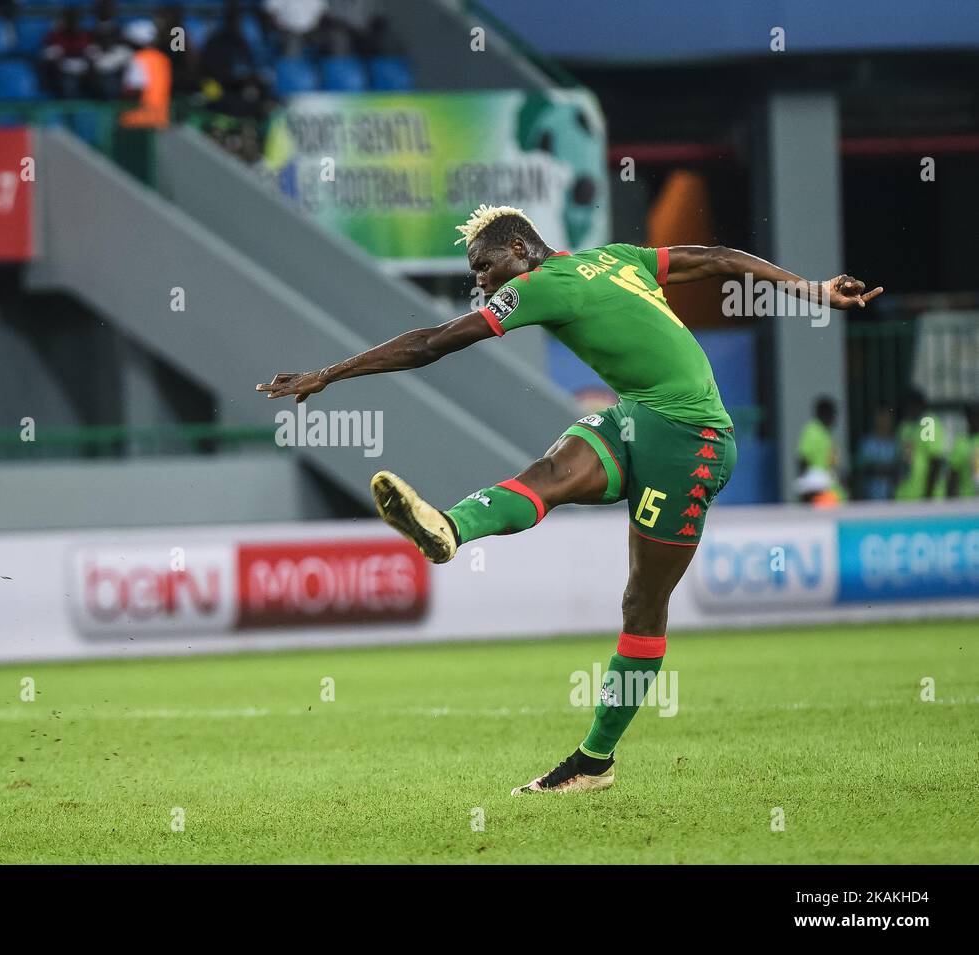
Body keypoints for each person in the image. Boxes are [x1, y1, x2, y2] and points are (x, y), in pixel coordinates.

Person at [257, 204, 882, 794]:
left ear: (520, 250)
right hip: (639, 418)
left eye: (484, 266)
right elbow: (717, 256)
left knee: (642, 604)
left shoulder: (540, 285)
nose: (481, 283)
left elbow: (432, 343)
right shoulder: (615, 257)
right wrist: (812, 288)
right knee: (552, 472)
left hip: (694, 441)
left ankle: (594, 760)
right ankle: (448, 528)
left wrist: (330, 373)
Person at [894, 388, 949, 501]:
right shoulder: (905, 427)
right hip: (905, 495)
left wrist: (928, 495)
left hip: (925, 495)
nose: (907, 410)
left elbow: (936, 460)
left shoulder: (927, 423)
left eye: (910, 406)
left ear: (919, 405)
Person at [120, 18, 170, 128]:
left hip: (137, 120)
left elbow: (135, 88)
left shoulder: (138, 59)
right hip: (160, 118)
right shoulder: (162, 58)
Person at [795, 395, 846, 503]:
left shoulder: (825, 433)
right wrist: (806, 485)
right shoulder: (812, 431)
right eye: (833, 414)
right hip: (818, 489)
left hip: (830, 488)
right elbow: (802, 459)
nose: (835, 419)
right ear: (825, 414)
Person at [855, 407, 899, 501]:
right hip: (870, 496)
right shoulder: (867, 443)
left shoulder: (895, 443)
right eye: (881, 418)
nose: (884, 422)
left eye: (886, 419)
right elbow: (860, 470)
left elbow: (899, 469)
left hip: (892, 497)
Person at [946, 404, 979, 498]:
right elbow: (953, 474)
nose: (973, 419)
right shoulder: (960, 442)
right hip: (966, 499)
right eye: (971, 416)